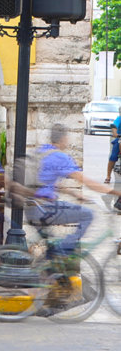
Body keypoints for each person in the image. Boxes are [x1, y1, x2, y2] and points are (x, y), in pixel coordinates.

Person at [23, 122, 121, 256]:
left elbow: (45, 181)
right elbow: (88, 182)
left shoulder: (41, 151)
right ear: (63, 139)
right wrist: (115, 192)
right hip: (44, 209)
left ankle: (50, 265)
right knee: (88, 214)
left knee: (50, 249)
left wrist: (73, 192)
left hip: (30, 207)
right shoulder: (60, 157)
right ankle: (64, 250)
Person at [104, 105, 121, 183]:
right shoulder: (119, 119)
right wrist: (115, 133)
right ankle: (108, 176)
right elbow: (114, 126)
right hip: (120, 138)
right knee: (113, 156)